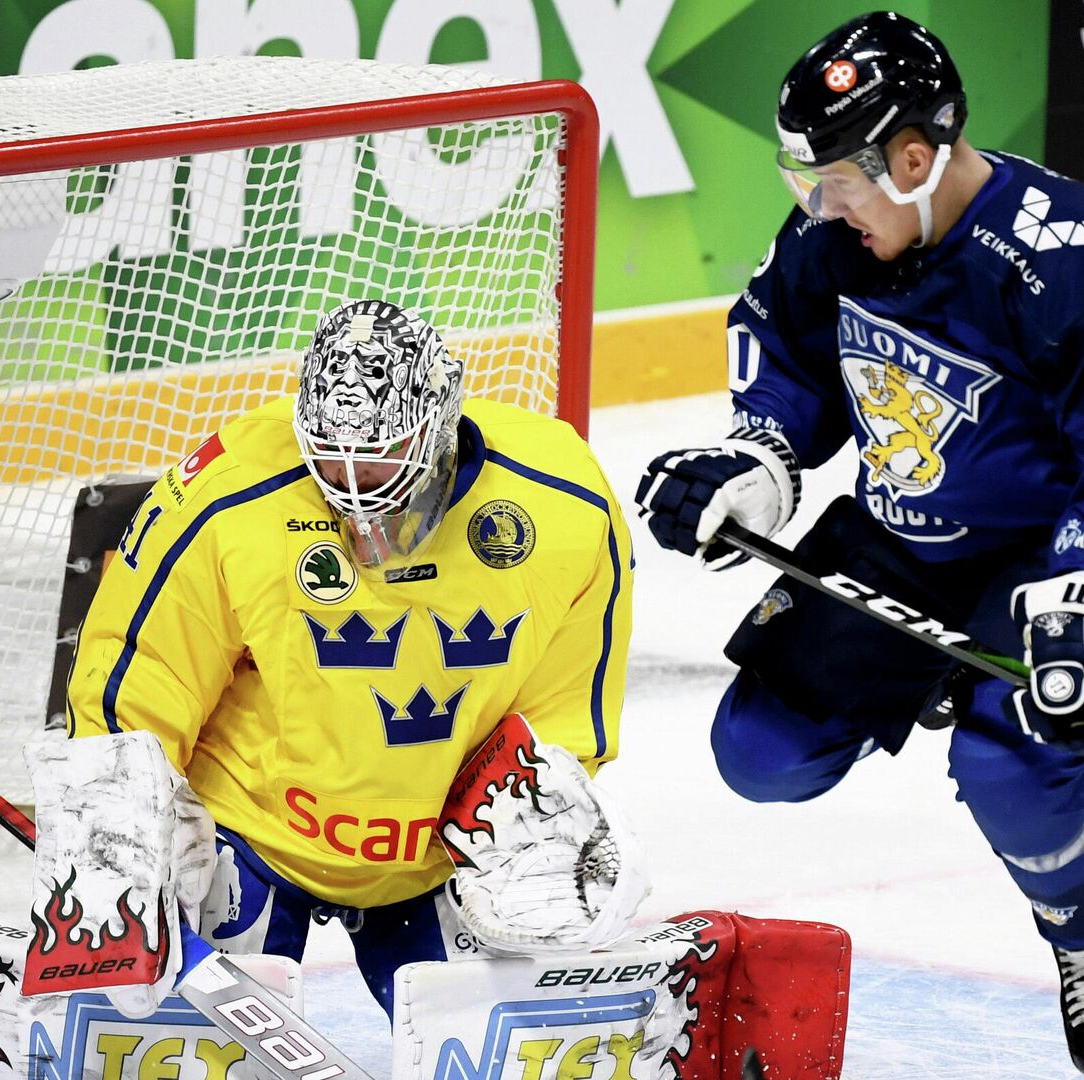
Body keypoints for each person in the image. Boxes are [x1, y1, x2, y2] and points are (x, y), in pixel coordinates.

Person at [633, 12, 1084, 1077]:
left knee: (1012, 759)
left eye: (837, 179)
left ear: (912, 157)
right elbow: (785, 355)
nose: (817, 205)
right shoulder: (836, 238)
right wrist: (757, 466)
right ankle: (934, 673)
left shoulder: (1078, 258)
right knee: (760, 755)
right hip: (908, 539)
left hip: (1063, 547)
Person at [34, 298, 643, 1017]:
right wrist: (119, 849)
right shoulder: (226, 493)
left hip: (443, 850)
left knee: (507, 1044)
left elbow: (566, 711)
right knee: (161, 1048)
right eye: (331, 454)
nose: (355, 483)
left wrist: (539, 816)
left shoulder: (564, 500)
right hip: (249, 833)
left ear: (441, 421)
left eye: (381, 455)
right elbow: (135, 678)